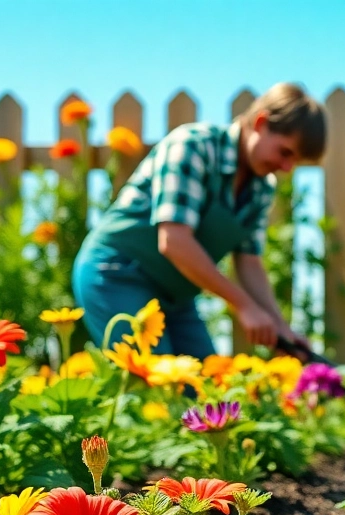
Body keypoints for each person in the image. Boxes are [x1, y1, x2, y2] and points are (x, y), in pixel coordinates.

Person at [73, 82, 325, 356]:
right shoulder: (193, 146)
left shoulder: (261, 188)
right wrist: (244, 305)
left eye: (295, 161)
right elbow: (173, 241)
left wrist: (280, 326)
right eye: (285, 152)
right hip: (117, 275)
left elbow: (249, 261)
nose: (287, 167)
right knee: (152, 383)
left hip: (176, 296)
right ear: (261, 123)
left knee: (203, 390)